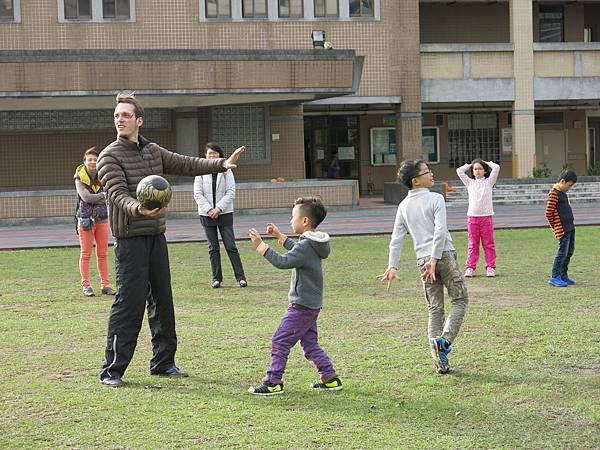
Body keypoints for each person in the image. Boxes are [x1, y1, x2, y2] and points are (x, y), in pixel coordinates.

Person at [97, 92, 245, 387]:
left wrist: (220, 165)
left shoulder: (151, 150)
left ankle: (163, 362)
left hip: (156, 237)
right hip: (130, 240)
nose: (120, 120)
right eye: (116, 116)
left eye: (125, 115)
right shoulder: (108, 156)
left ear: (138, 120)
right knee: (129, 304)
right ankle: (112, 370)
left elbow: (185, 164)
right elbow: (115, 193)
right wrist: (136, 207)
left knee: (163, 300)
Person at [378, 159, 469, 374]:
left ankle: (441, 363)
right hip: (443, 256)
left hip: (422, 260)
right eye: (427, 172)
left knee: (434, 309)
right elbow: (440, 231)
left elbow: (396, 239)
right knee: (460, 299)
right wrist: (435, 259)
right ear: (415, 181)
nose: (432, 174)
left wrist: (393, 266)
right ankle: (444, 342)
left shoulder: (403, 206)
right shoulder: (436, 199)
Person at [247, 197, 342, 395]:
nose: (291, 221)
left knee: (280, 340)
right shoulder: (313, 243)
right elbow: (296, 250)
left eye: (293, 217)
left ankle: (273, 381)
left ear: (305, 221)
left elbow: (283, 262)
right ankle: (330, 378)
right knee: (309, 344)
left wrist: (261, 245)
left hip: (301, 306)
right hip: (311, 304)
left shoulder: (306, 246)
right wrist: (279, 236)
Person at [193, 142, 247, 289]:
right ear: (205, 156)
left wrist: (218, 209)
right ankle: (216, 278)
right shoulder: (200, 171)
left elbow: (231, 192)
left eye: (215, 154)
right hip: (206, 214)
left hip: (224, 213)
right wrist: (209, 209)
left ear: (220, 156)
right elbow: (197, 194)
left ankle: (240, 277)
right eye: (210, 153)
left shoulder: (227, 171)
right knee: (213, 248)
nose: (212, 156)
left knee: (231, 246)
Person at [74, 147, 116, 297]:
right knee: (86, 253)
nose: (92, 162)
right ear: (84, 162)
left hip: (102, 219)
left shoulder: (104, 176)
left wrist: (102, 196)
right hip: (85, 220)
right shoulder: (79, 178)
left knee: (103, 254)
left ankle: (105, 285)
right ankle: (86, 285)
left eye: (95, 159)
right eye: (89, 159)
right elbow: (86, 198)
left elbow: (111, 194)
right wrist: (104, 195)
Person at [456, 159, 500, 277]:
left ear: (485, 171)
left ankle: (490, 267)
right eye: (475, 169)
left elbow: (496, 168)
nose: (478, 171)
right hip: (472, 218)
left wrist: (487, 162)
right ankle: (470, 267)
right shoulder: (470, 183)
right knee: (473, 244)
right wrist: (470, 164)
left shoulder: (489, 182)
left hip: (486, 217)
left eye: (480, 168)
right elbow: (459, 171)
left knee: (488, 243)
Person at [545, 169, 577, 287]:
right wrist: (555, 226)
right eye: (569, 185)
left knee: (569, 251)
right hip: (562, 228)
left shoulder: (563, 193)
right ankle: (554, 276)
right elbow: (549, 212)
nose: (570, 188)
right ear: (563, 181)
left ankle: (563, 275)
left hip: (569, 226)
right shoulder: (554, 193)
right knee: (562, 252)